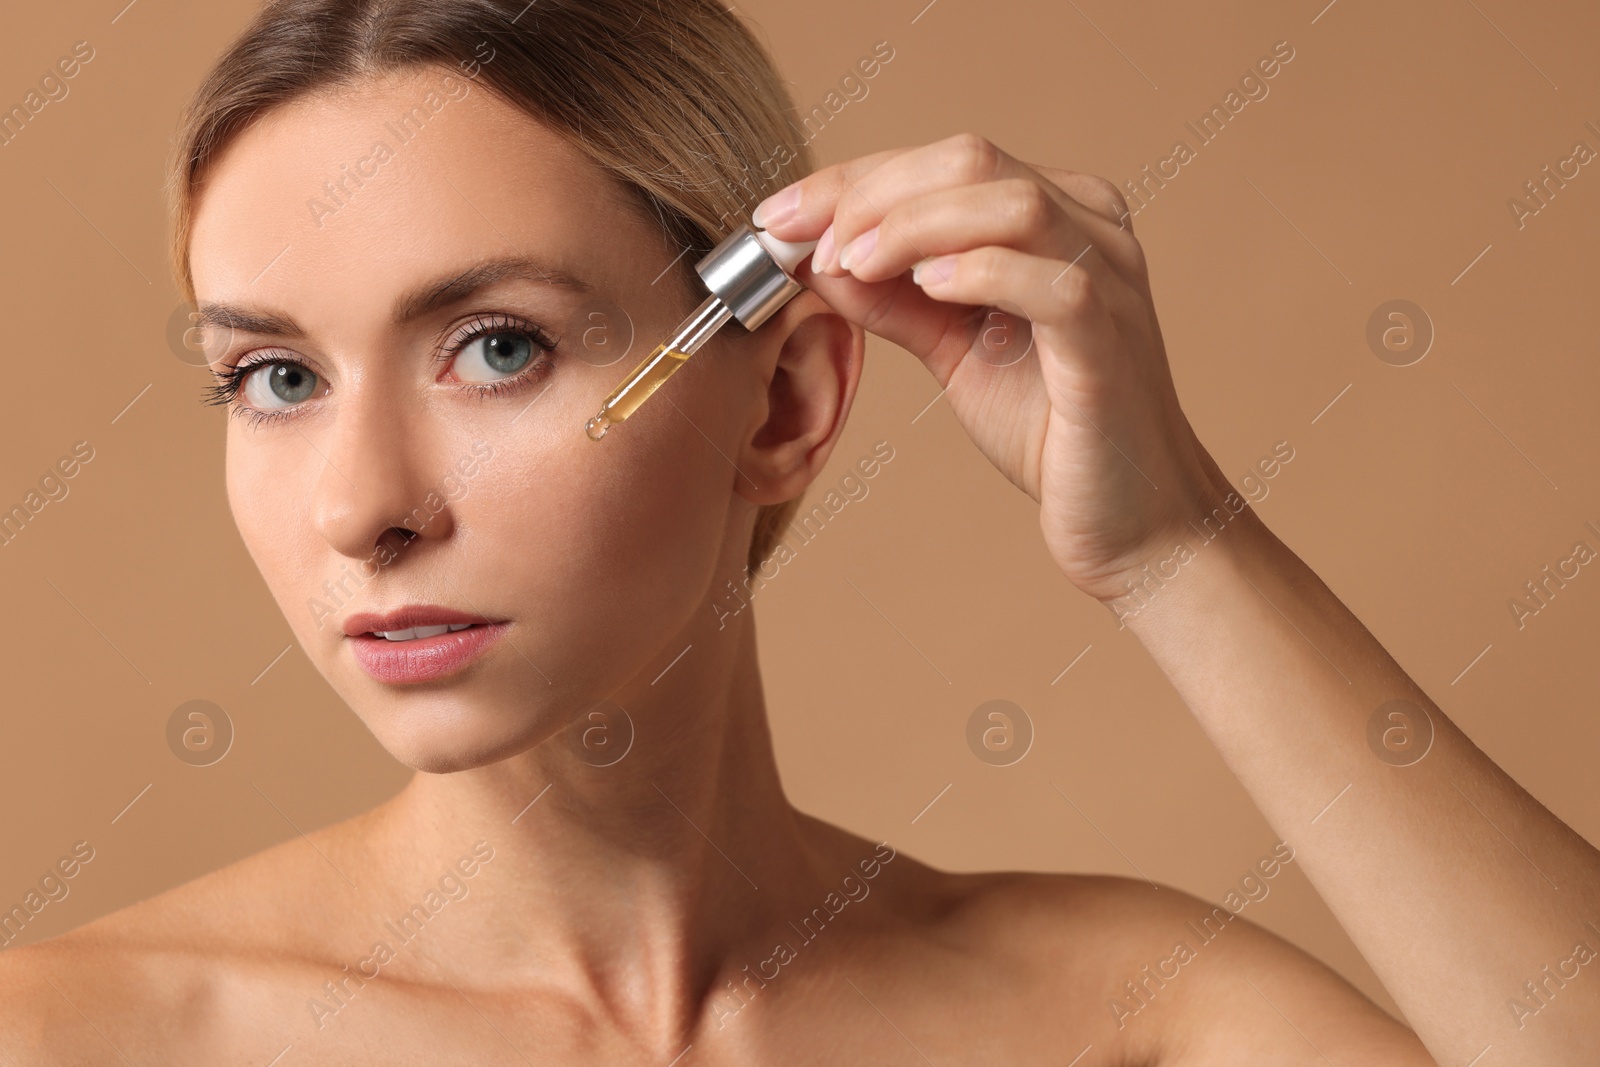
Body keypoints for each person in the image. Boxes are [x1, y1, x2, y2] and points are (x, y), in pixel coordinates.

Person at [3, 0, 1595, 1063]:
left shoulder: (1129, 1020)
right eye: (273, 376)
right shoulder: (81, 1038)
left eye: (498, 347)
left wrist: (1173, 546)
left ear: (779, 408)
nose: (362, 509)